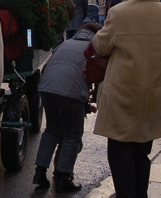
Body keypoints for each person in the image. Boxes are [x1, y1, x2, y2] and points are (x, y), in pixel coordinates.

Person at [91, 0, 161, 198]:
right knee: (142, 152)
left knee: (120, 154)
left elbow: (101, 46)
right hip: (153, 94)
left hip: (122, 94)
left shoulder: (120, 12)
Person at [33, 22, 101, 193]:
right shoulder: (94, 47)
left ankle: (40, 172)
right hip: (71, 93)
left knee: (51, 130)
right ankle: (64, 176)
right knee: (73, 134)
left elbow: (48, 67)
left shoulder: (65, 43)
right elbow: (97, 73)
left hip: (47, 88)